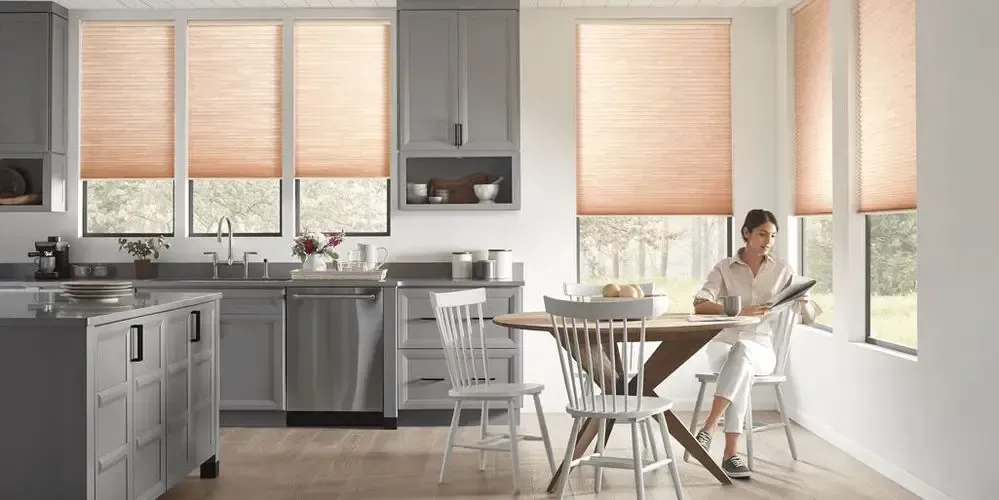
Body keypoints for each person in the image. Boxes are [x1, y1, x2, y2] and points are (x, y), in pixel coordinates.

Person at [691, 208, 822, 479]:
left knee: (743, 356)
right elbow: (700, 304)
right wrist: (740, 312)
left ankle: (709, 426)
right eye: (762, 234)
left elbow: (808, 319)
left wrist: (804, 300)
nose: (768, 241)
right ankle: (730, 456)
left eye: (773, 236)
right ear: (746, 233)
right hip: (723, 343)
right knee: (740, 364)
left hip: (762, 347)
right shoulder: (724, 268)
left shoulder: (783, 269)